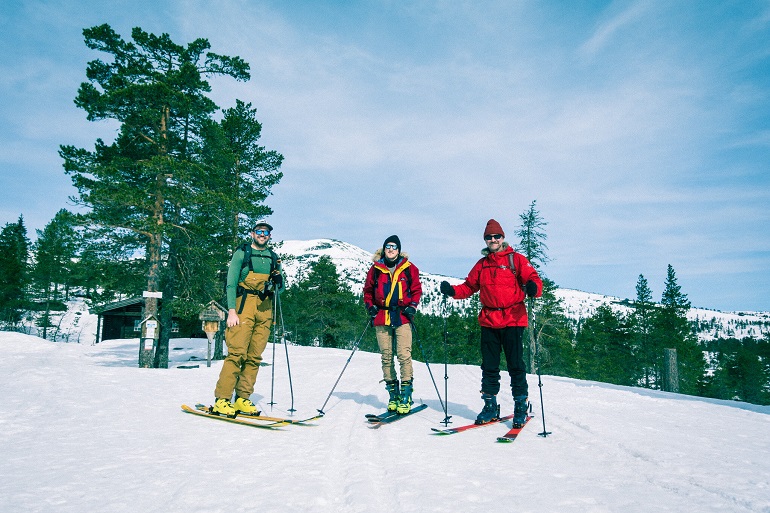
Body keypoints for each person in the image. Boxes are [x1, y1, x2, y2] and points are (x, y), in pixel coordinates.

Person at [439, 219, 542, 426]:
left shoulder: (516, 260)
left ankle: (520, 405)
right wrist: (452, 291)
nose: (493, 240)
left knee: (516, 365)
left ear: (503, 238)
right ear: (485, 240)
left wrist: (532, 287)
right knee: (489, 366)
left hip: (513, 318)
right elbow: (469, 286)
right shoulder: (482, 264)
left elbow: (535, 280)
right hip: (489, 320)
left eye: (496, 236)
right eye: (489, 237)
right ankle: (489, 405)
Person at [211, 220, 285, 416]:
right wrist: (231, 311)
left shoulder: (273, 258)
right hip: (243, 307)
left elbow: (281, 288)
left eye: (266, 232)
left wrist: (278, 282)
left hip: (265, 309)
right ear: (252, 234)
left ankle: (243, 398)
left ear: (270, 236)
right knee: (236, 354)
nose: (262, 234)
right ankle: (222, 399)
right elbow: (231, 284)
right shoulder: (242, 254)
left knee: (254, 357)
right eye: (259, 231)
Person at [363, 235, 423, 414]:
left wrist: (412, 306)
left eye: (394, 247)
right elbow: (367, 291)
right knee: (386, 356)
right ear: (384, 249)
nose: (391, 249)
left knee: (404, 354)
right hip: (382, 315)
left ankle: (406, 395)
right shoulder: (375, 269)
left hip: (402, 316)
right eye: (388, 246)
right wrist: (370, 306)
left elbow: (416, 290)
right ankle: (393, 394)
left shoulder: (409, 268)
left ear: (399, 250)